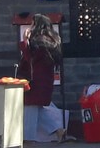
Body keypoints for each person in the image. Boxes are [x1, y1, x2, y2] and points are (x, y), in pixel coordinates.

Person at [18, 13, 66, 143]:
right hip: (45, 81)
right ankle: (58, 130)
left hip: (35, 81)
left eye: (33, 24)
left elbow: (30, 60)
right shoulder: (52, 40)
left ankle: (28, 139)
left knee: (30, 107)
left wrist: (24, 41)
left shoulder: (38, 41)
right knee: (38, 109)